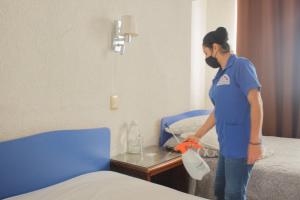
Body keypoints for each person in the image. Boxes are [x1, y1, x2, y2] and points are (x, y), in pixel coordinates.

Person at [187, 27, 263, 200]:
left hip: (242, 145)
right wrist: (197, 135)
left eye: (205, 53)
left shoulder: (241, 66)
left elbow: (256, 103)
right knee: (219, 190)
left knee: (233, 194)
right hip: (226, 145)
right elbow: (218, 110)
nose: (206, 58)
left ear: (215, 47)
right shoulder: (220, 75)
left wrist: (255, 143)